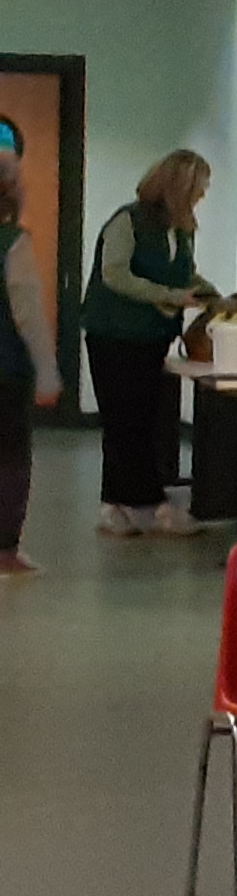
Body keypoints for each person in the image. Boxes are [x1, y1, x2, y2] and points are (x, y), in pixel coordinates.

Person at [83, 147, 220, 538]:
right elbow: (115, 274)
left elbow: (183, 273)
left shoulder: (180, 230)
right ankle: (149, 505)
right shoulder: (127, 221)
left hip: (152, 337)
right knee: (124, 421)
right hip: (115, 334)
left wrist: (211, 295)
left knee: (140, 422)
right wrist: (172, 296)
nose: (203, 194)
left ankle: (119, 505)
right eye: (199, 186)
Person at [1, 133, 53, 576]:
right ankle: (4, 550)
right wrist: (48, 373)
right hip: (7, 369)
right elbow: (28, 316)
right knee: (11, 458)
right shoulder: (12, 243)